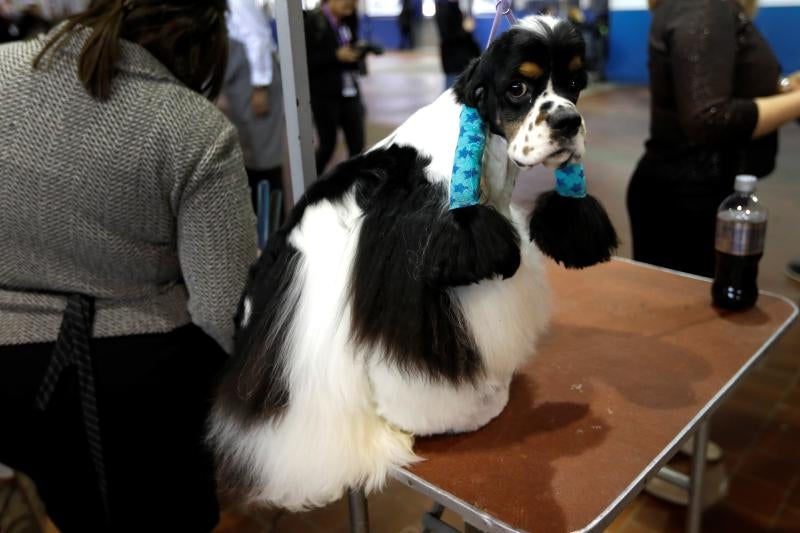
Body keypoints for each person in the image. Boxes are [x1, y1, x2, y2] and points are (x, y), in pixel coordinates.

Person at [0, 1, 257, 531]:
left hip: (9, 377)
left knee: (75, 510)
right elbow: (222, 307)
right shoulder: (193, 126)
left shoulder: (2, 71)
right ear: (199, 44)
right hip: (139, 385)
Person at [627, 0, 800, 278]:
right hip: (686, 204)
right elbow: (707, 117)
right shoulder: (702, 7)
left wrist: (784, 90)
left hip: (695, 192)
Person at [224, 0, 284, 214]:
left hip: (256, 82)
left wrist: (260, 86)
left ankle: (271, 227)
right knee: (251, 155)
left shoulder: (238, 2)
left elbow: (258, 37)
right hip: (242, 80)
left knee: (263, 159)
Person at [304, 0, 365, 174]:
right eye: (347, 1)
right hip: (324, 95)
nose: (351, 5)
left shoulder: (348, 19)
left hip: (349, 91)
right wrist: (335, 56)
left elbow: (350, 43)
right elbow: (306, 61)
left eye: (354, 2)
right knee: (328, 146)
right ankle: (312, 183)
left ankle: (353, 187)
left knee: (357, 145)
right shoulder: (313, 22)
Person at [434, 0, 480, 90]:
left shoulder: (453, 7)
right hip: (454, 58)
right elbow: (447, 33)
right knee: (452, 90)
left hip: (458, 60)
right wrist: (466, 30)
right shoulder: (445, 7)